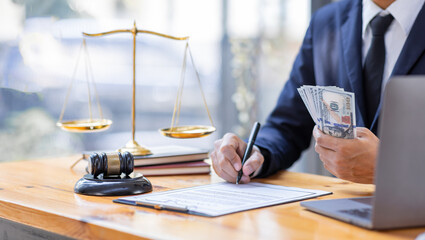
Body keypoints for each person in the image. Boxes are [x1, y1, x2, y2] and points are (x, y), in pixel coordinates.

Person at [211, 0, 425, 184]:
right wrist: (255, 152)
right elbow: (288, 124)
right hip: (341, 216)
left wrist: (393, 168)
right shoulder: (326, 23)